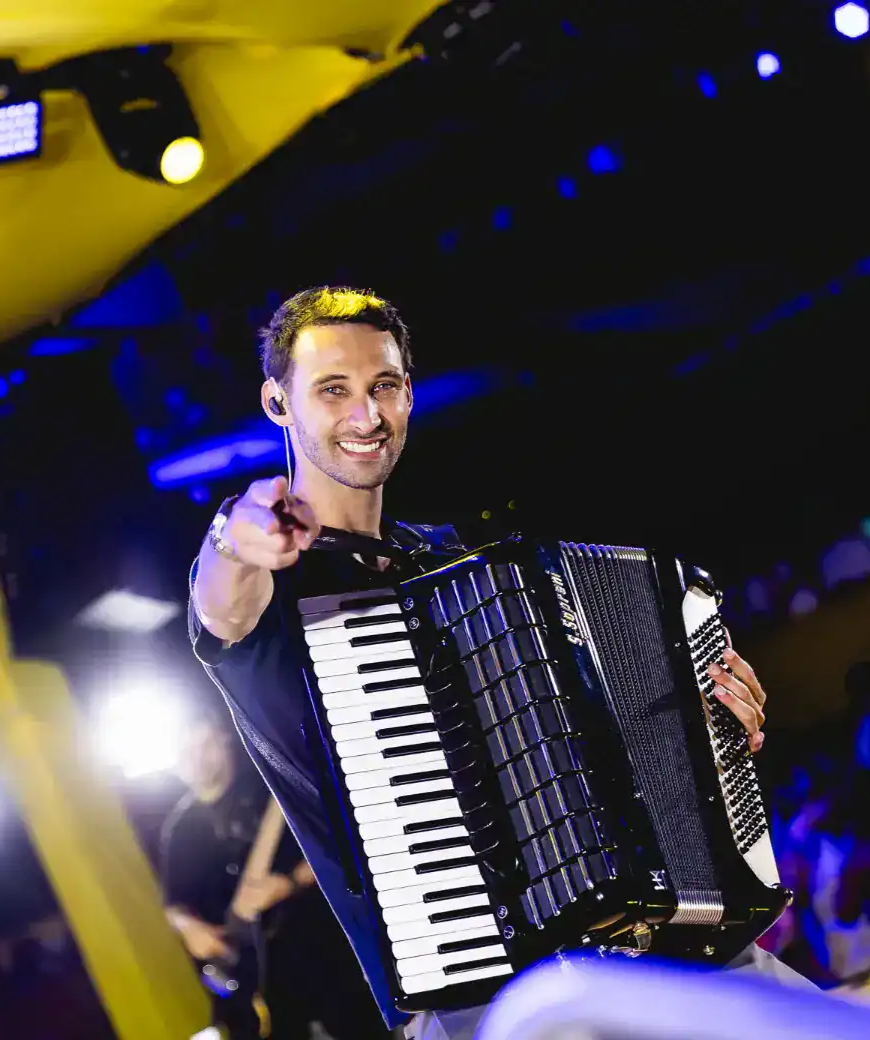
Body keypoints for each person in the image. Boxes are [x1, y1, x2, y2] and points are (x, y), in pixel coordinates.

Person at [188, 286, 803, 1040]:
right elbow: (222, 604)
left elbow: (589, 745)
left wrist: (705, 722)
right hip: (477, 1001)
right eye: (333, 390)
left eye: (384, 385)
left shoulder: (453, 559)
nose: (366, 415)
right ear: (278, 403)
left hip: (632, 951)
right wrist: (235, 535)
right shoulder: (271, 586)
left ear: (409, 393)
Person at [159, 714, 389, 1040]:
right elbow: (174, 903)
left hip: (321, 944)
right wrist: (190, 928)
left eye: (203, 745)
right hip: (257, 977)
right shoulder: (181, 830)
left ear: (224, 738)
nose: (196, 759)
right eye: (185, 753)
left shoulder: (271, 778)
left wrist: (290, 883)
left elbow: (339, 844)